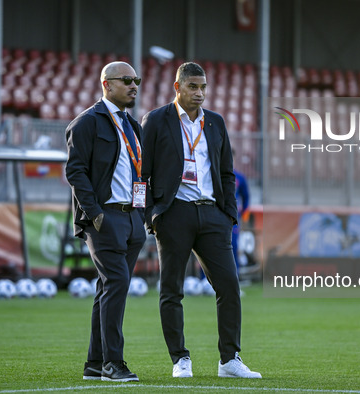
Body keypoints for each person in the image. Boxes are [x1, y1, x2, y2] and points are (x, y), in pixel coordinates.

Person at [141, 62, 261, 379]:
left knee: (229, 287)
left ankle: (229, 360)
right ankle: (180, 359)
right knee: (171, 290)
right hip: (174, 213)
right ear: (177, 87)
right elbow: (142, 175)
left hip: (212, 216)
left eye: (203, 87)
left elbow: (226, 173)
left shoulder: (216, 123)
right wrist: (150, 215)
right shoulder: (156, 121)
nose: (200, 93)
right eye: (193, 86)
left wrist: (228, 215)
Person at [65, 61, 146, 382]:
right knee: (115, 285)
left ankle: (95, 364)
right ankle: (114, 363)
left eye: (136, 80)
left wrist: (142, 214)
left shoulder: (132, 125)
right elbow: (75, 172)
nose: (134, 85)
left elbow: (137, 171)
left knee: (108, 289)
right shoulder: (86, 122)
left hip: (132, 216)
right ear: (107, 84)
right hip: (105, 217)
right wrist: (95, 214)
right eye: (127, 80)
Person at [231, 149, 250, 274]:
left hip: (232, 219)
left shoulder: (239, 178)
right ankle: (204, 280)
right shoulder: (213, 174)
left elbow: (246, 197)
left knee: (233, 246)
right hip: (214, 215)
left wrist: (243, 215)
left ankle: (234, 279)